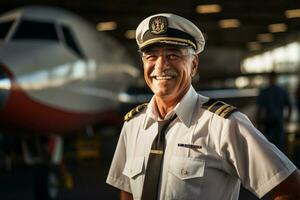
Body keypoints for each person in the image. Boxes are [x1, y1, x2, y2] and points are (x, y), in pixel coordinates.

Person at [106, 13, 300, 200]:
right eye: (151, 56)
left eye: (173, 55)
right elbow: (127, 191)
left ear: (194, 65)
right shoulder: (133, 125)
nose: (161, 65)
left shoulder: (225, 125)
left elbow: (292, 188)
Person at [257, 72, 292, 151]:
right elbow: (289, 106)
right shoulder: (282, 91)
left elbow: (260, 109)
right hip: (278, 121)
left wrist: (259, 123)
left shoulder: (264, 92)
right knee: (279, 145)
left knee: (269, 145)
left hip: (268, 121)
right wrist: (287, 119)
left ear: (269, 78)